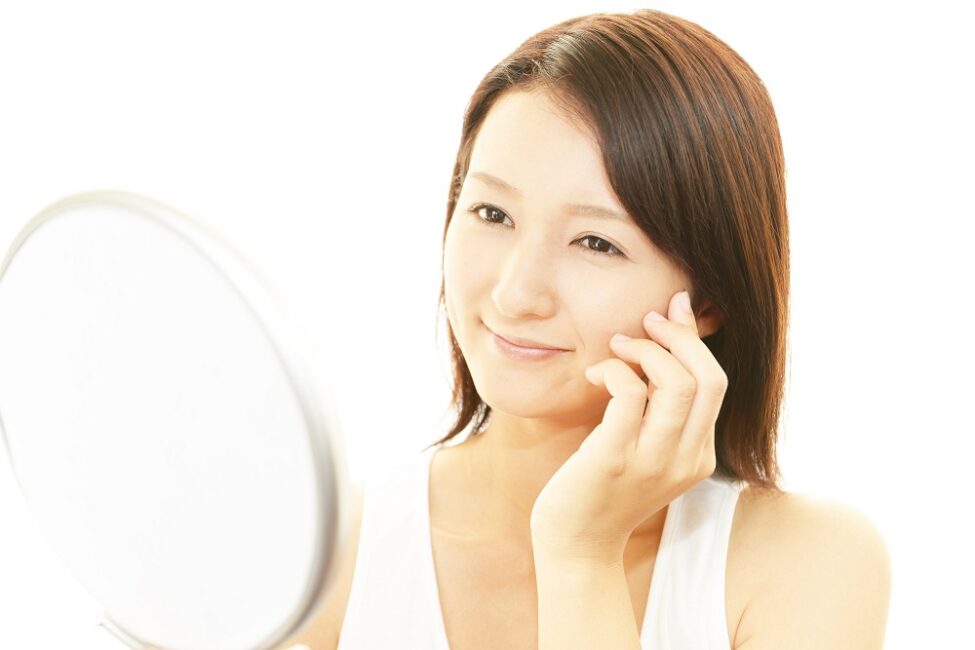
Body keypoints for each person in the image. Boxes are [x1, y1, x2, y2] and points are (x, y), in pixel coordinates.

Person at [279, 8, 891, 649]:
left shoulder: (808, 564)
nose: (516, 293)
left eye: (596, 243)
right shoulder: (320, 554)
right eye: (492, 211)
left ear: (707, 301)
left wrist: (582, 552)